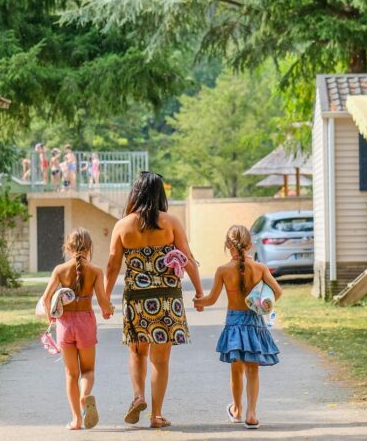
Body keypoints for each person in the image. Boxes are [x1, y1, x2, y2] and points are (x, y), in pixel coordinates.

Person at [104, 171, 204, 429]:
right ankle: (156, 415)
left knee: (137, 353)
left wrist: (105, 298)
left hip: (136, 299)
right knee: (160, 360)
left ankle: (138, 396)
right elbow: (188, 258)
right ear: (160, 194)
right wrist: (200, 293)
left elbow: (113, 265)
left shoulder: (123, 225)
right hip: (167, 299)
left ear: (135, 193)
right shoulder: (170, 222)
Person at [193, 225, 283, 430]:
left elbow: (211, 299)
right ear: (250, 245)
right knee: (253, 369)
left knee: (236, 369)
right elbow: (277, 292)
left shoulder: (223, 270)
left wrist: (199, 302)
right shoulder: (260, 268)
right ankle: (252, 413)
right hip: (255, 322)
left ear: (227, 245)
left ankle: (237, 409)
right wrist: (261, 301)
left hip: (234, 324)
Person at [40, 228, 115, 430]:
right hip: (85, 323)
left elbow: (46, 299)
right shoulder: (96, 272)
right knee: (88, 370)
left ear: (68, 247)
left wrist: (51, 316)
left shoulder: (59, 270)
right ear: (89, 248)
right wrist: (109, 310)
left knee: (71, 374)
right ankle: (85, 396)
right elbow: (103, 302)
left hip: (65, 324)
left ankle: (76, 420)